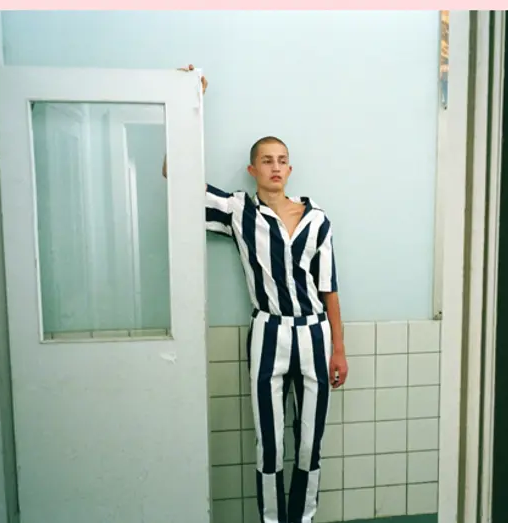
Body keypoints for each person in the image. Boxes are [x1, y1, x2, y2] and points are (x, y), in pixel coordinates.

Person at [166, 64, 349, 523]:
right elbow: (176, 177)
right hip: (268, 332)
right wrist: (188, 101)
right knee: (269, 441)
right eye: (267, 160)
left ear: (291, 168)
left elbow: (329, 287)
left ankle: (302, 518)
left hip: (315, 333)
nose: (275, 167)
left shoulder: (317, 219)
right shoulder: (238, 211)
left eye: (282, 160)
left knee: (310, 440)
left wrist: (339, 349)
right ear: (253, 169)